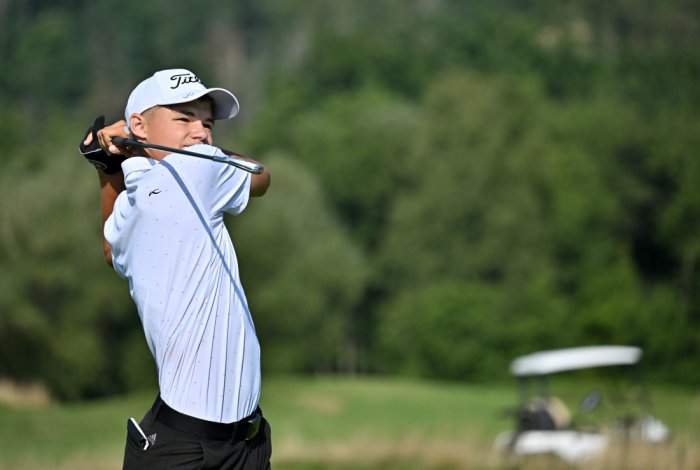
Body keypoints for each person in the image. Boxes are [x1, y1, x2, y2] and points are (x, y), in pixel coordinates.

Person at [79, 68, 272, 470]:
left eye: (207, 123)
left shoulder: (131, 208)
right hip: (187, 451)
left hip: (222, 443)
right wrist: (124, 161)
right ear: (138, 126)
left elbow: (112, 248)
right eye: (184, 118)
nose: (201, 132)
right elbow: (262, 177)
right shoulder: (201, 166)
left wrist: (107, 166)